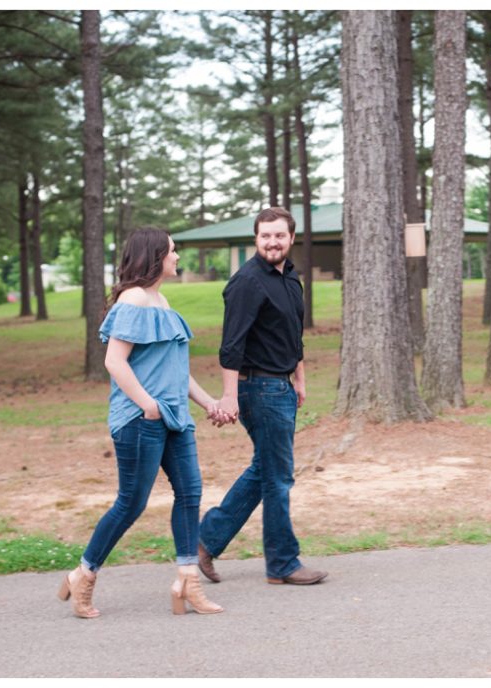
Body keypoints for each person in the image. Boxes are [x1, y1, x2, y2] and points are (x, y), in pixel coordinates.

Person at [58, 228, 224, 618]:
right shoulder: (133, 299)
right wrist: (148, 405)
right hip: (139, 419)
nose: (178, 256)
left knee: (190, 493)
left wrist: (209, 403)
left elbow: (176, 372)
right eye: (172, 250)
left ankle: (187, 582)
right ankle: (84, 574)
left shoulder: (161, 301)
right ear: (155, 255)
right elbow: (114, 362)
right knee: (131, 503)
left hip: (174, 419)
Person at [198, 207, 328, 586]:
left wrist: (299, 379)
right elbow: (230, 346)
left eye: (279, 235)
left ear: (291, 238)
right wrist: (229, 396)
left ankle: (205, 540)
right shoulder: (247, 282)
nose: (272, 242)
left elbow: (293, 335)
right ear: (256, 238)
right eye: (265, 235)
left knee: (265, 470)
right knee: (278, 478)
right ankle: (283, 563)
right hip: (258, 388)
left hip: (283, 385)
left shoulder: (290, 278)